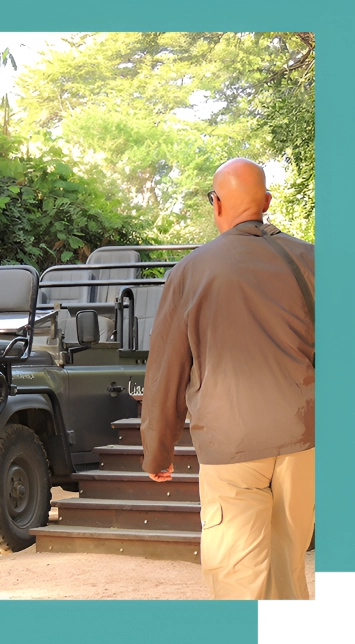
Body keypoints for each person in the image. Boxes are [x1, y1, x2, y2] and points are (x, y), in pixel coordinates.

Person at [140, 158, 315, 600]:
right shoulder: (312, 261)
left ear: (216, 204)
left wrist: (157, 450)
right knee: (287, 572)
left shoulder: (191, 272)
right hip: (304, 441)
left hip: (231, 445)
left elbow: (167, 370)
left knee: (237, 578)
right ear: (268, 203)